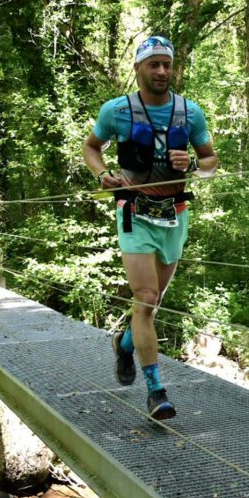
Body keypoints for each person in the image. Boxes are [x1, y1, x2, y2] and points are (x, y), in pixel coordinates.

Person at [82, 35, 218, 420]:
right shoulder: (116, 111)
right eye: (154, 64)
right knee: (145, 297)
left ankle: (124, 345)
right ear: (138, 68)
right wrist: (103, 174)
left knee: (154, 303)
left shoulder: (191, 113)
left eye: (167, 65)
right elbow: (91, 147)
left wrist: (194, 165)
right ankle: (156, 391)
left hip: (174, 213)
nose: (161, 71)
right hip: (134, 212)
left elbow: (211, 161)